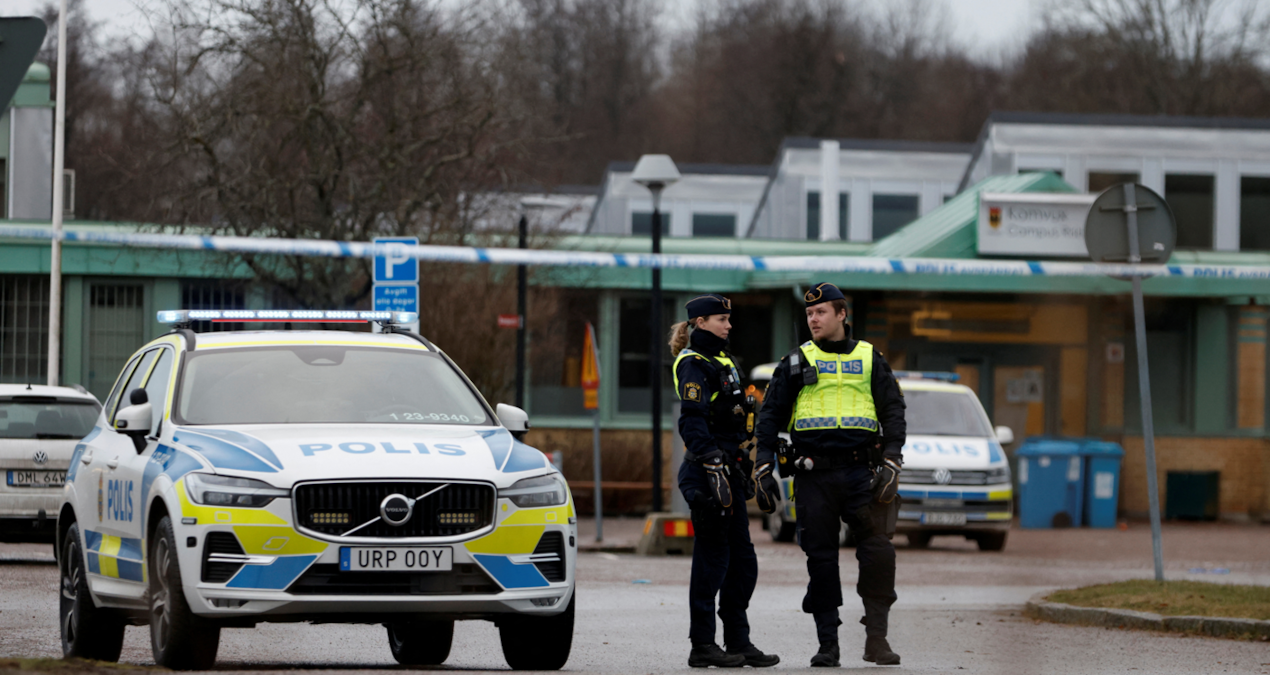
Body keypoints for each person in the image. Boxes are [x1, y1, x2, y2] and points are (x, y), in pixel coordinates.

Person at [752, 282, 907, 667]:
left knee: (879, 553)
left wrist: (892, 459)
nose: (813, 319)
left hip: (862, 473)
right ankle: (828, 644)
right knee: (821, 559)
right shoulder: (795, 361)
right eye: (809, 314)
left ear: (842, 314)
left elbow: (893, 411)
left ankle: (876, 640)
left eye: (821, 312)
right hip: (813, 475)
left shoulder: (871, 358)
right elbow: (769, 416)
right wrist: (763, 465)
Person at [672, 293, 780, 669]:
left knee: (742, 563)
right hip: (707, 474)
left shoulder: (724, 360)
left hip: (729, 471)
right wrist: (712, 462)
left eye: (728, 319)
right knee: (712, 561)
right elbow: (692, 420)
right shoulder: (693, 363)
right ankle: (702, 644)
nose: (728, 325)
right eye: (721, 319)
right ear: (700, 322)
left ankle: (738, 641)